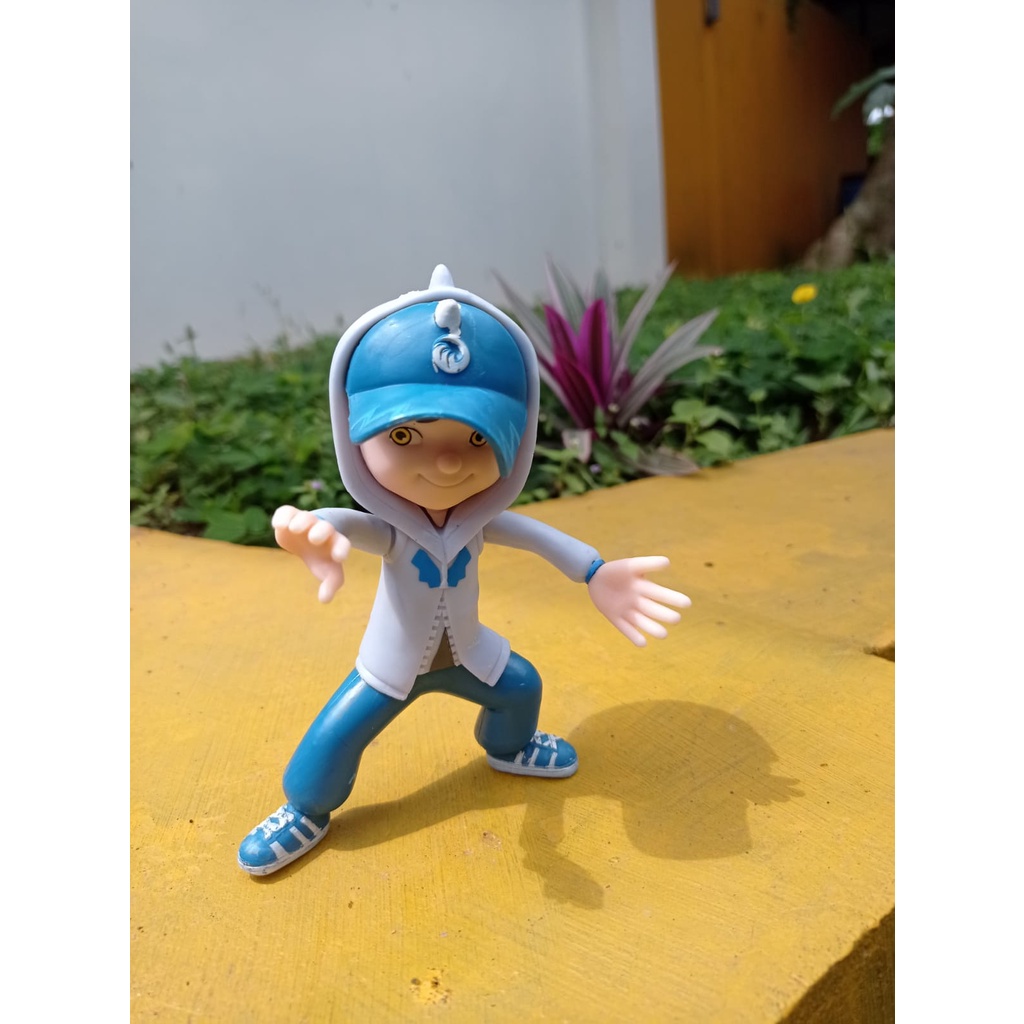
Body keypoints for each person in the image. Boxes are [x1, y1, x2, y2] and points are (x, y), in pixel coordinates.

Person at [237, 265, 691, 875]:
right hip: (393, 667)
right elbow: (343, 524)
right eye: (406, 435)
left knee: (522, 688)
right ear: (353, 436)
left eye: (479, 439)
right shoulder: (394, 530)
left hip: (471, 655)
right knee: (333, 739)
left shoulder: (479, 523)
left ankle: (508, 745)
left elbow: (538, 537)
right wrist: (305, 528)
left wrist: (594, 573)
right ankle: (305, 808)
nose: (448, 463)